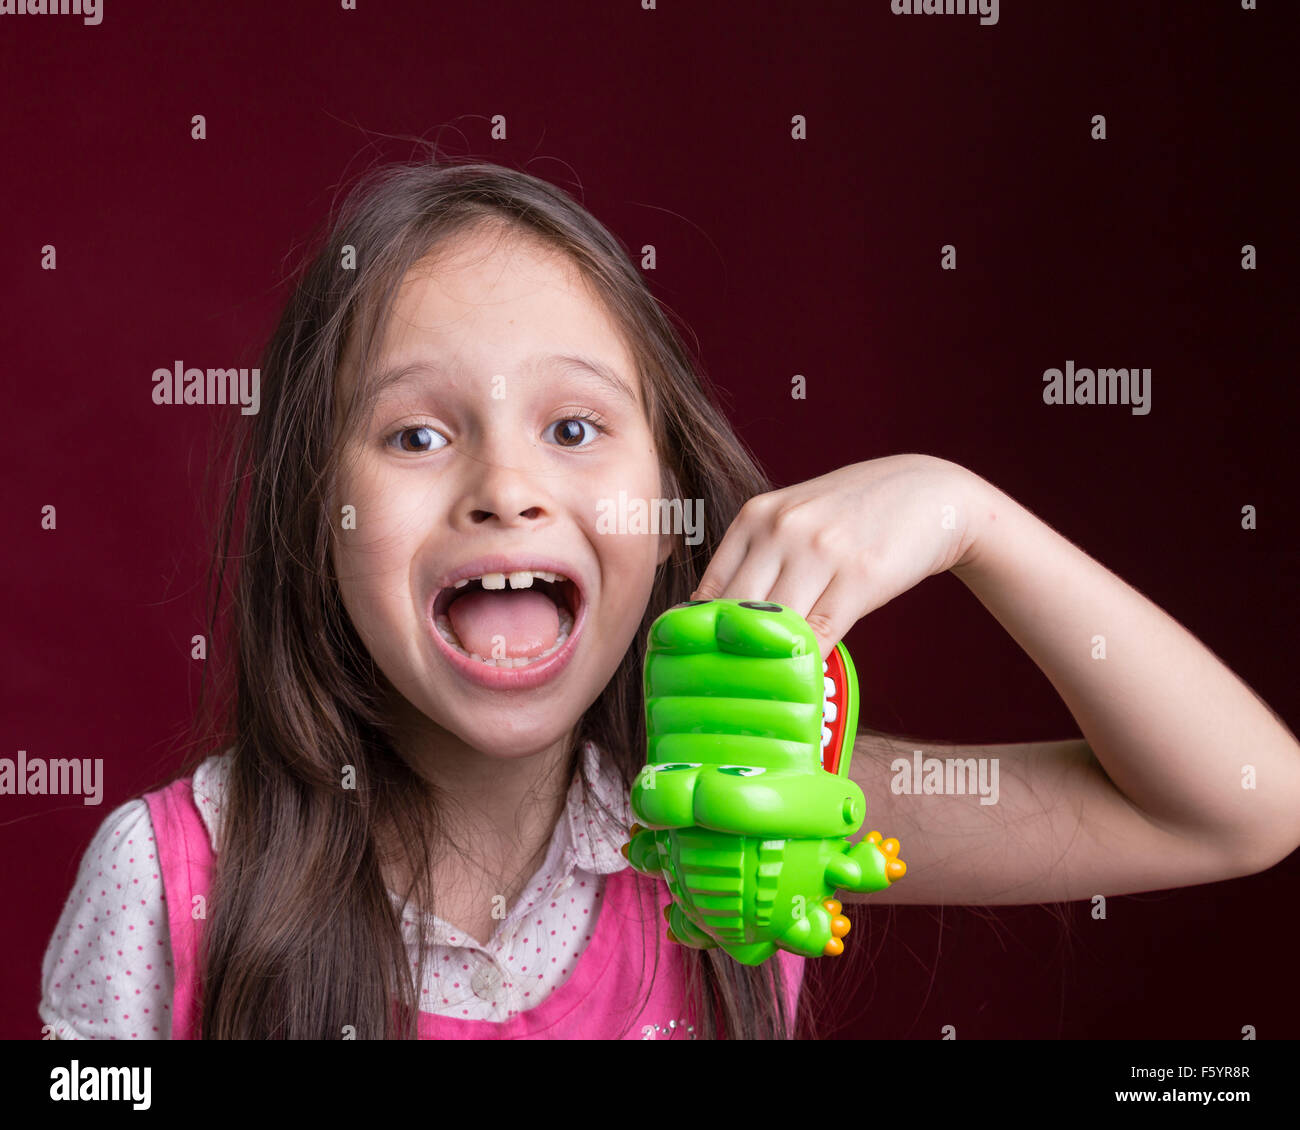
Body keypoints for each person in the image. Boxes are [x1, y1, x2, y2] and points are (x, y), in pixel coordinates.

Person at [38, 157, 1300, 1040]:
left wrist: (971, 514)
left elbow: (1245, 807)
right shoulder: (169, 882)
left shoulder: (760, 820)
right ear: (321, 517)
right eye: (416, 437)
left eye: (576, 424)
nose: (507, 487)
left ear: (667, 507)